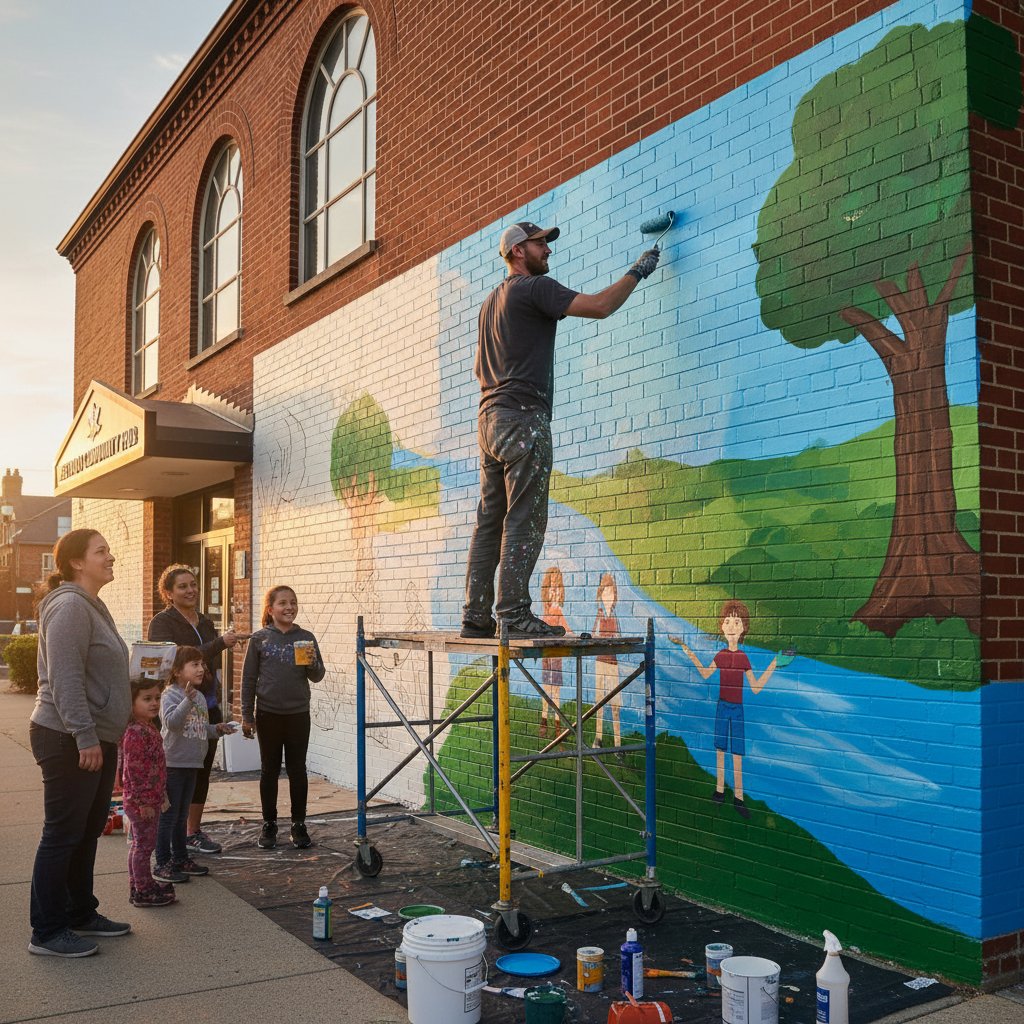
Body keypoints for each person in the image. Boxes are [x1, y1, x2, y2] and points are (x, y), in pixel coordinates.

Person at [461, 221, 660, 639]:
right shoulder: (534, 289)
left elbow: (480, 367)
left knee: (489, 521)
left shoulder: (489, 303)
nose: (547, 251)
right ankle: (513, 615)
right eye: (540, 244)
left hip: (488, 419)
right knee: (525, 518)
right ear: (518, 251)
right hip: (522, 417)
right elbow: (601, 306)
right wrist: (637, 271)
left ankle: (475, 616)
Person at [28, 529, 133, 957]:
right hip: (67, 736)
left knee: (87, 831)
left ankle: (80, 913)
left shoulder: (93, 604)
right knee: (63, 834)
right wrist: (85, 736)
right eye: (101, 551)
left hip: (95, 737)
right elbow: (65, 678)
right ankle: (47, 932)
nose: (111, 557)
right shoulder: (70, 606)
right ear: (76, 562)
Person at [147, 564, 246, 855]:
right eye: (182, 586)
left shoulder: (203, 621)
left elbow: (208, 662)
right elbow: (175, 660)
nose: (191, 590)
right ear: (168, 592)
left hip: (208, 704)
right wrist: (220, 643)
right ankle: (171, 836)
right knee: (177, 773)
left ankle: (193, 832)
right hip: (179, 704)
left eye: (193, 584)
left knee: (201, 771)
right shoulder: (162, 623)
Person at [669, 600, 777, 819]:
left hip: (737, 709)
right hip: (722, 706)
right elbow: (706, 673)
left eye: (736, 622)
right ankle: (719, 791)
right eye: (728, 621)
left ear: (744, 627)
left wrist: (774, 663)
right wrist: (686, 648)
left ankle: (739, 797)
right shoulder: (721, 655)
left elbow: (755, 687)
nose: (731, 626)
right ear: (722, 626)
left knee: (736, 752)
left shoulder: (743, 658)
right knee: (720, 749)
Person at [241, 586, 325, 851]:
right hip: (268, 714)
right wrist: (246, 715)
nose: (289, 607)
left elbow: (318, 675)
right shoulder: (260, 639)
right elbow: (249, 679)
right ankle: (269, 823)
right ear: (270, 609)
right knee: (270, 770)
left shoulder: (306, 637)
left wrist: (311, 663)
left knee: (298, 770)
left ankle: (299, 824)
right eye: (282, 603)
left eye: (293, 603)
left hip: (298, 713)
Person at [154, 646, 234, 883]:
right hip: (174, 764)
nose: (201, 669)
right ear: (178, 671)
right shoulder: (170, 694)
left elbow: (199, 728)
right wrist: (186, 701)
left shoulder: (199, 696)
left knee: (181, 816)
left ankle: (180, 858)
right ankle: (162, 863)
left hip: (192, 764)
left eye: (202, 664)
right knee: (169, 817)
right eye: (194, 665)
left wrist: (216, 730)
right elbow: (172, 723)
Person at [120, 678, 175, 907]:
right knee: (143, 846)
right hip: (141, 801)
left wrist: (160, 793)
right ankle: (143, 890)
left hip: (150, 798)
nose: (154, 703)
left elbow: (154, 767)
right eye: (146, 699)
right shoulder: (135, 732)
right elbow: (134, 770)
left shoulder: (147, 727)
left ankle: (140, 885)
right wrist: (143, 802)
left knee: (140, 845)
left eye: (157, 698)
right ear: (131, 703)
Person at [539, 566, 571, 738]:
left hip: (555, 655)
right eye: (552, 585)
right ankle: (546, 720)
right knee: (548, 687)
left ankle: (555, 723)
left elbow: (567, 629)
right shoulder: (547, 612)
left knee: (554, 689)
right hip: (547, 654)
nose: (554, 590)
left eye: (557, 586)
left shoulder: (558, 612)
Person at [592, 573, 622, 751]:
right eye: (605, 593)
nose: (608, 597)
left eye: (611, 594)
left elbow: (618, 636)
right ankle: (598, 737)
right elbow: (594, 634)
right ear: (601, 595)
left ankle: (618, 742)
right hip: (600, 663)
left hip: (613, 664)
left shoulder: (615, 617)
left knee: (615, 704)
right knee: (599, 702)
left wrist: (613, 638)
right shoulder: (600, 614)